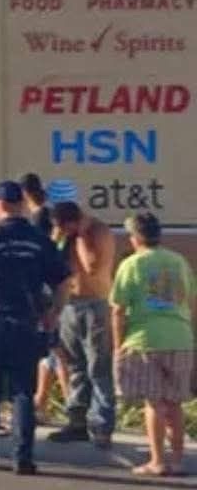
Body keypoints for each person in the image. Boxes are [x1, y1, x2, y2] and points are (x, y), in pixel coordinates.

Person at [0, 181, 69, 476]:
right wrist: (54, 312)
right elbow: (62, 281)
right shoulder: (39, 238)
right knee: (24, 392)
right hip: (26, 322)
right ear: (21, 204)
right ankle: (23, 458)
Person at [110, 213, 195, 477]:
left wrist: (118, 344)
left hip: (146, 338)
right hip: (180, 337)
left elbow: (118, 308)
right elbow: (190, 298)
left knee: (154, 402)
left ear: (135, 237)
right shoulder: (178, 261)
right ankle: (178, 459)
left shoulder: (132, 264)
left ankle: (157, 460)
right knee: (175, 402)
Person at [48, 201, 117, 448]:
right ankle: (76, 422)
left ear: (74, 222)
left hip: (95, 304)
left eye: (63, 227)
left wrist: (80, 236)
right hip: (70, 303)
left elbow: (92, 266)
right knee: (74, 364)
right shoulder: (66, 235)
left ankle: (102, 426)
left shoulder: (96, 232)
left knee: (98, 366)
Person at [20, 172, 70, 423]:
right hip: (51, 289)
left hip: (47, 291)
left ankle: (72, 407)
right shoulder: (48, 214)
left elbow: (42, 255)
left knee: (57, 350)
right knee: (49, 351)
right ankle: (40, 404)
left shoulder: (40, 218)